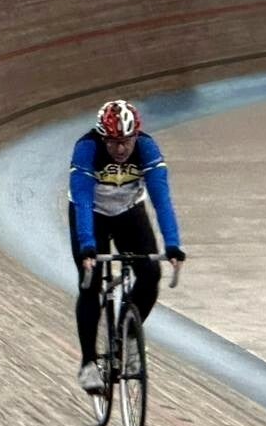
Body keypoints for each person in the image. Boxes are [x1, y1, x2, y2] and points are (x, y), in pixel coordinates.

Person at [68, 100, 185, 393]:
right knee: (90, 283)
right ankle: (88, 363)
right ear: (102, 137)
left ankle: (129, 335)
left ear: (136, 136)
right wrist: (87, 245)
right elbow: (82, 200)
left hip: (128, 211)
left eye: (126, 141)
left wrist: (172, 244)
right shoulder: (87, 148)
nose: (120, 149)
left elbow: (162, 200)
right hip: (92, 214)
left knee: (151, 275)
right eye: (113, 142)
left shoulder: (147, 148)